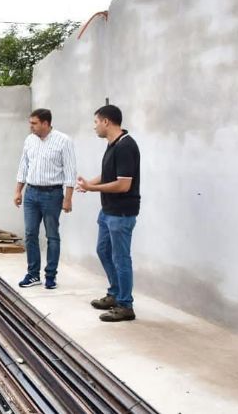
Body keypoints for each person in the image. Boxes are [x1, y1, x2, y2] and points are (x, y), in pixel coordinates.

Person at [76, 105, 141, 322]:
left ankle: (125, 305)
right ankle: (114, 294)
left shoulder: (125, 147)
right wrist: (88, 183)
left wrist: (92, 189)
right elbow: (108, 174)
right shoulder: (113, 145)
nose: (94, 127)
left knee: (121, 258)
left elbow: (123, 185)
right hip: (108, 211)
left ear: (106, 122)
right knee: (103, 251)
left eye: (96, 122)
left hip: (121, 213)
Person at [14, 108, 77, 290]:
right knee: (30, 234)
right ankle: (33, 275)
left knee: (52, 236)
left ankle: (50, 276)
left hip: (52, 194)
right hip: (31, 194)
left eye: (34, 123)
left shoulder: (63, 141)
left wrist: (68, 198)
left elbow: (70, 172)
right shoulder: (29, 140)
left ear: (46, 123)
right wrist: (18, 191)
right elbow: (23, 167)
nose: (31, 127)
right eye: (30, 123)